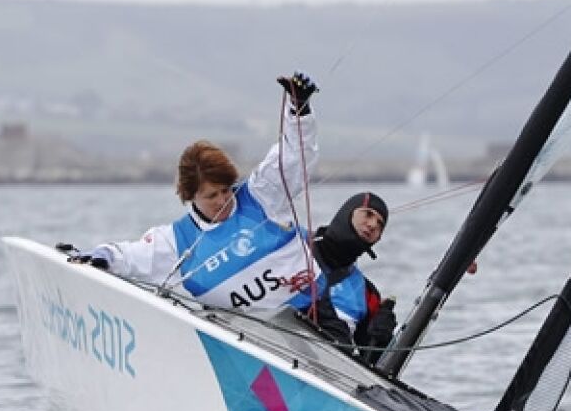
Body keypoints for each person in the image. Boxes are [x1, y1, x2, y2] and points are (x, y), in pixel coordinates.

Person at [70, 71, 340, 315]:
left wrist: (299, 111)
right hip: (255, 341)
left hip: (314, 314)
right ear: (190, 197)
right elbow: (129, 257)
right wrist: (100, 255)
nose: (223, 201)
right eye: (211, 196)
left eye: (225, 190)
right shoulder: (176, 242)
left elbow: (293, 155)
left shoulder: (260, 195)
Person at [306, 192, 397, 364]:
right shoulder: (295, 245)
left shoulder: (367, 294)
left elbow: (374, 366)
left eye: (379, 224)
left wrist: (382, 339)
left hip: (323, 370)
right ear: (347, 213)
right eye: (368, 214)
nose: (372, 224)